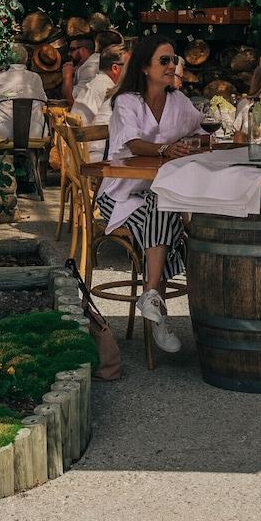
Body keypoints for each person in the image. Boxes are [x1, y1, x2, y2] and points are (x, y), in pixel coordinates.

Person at [96, 35, 203, 354]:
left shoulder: (179, 102)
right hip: (119, 193)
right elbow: (133, 144)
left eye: (175, 60)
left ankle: (152, 297)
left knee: (164, 199)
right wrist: (166, 149)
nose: (173, 66)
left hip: (159, 194)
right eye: (165, 60)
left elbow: (200, 130)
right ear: (144, 67)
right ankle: (156, 307)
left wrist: (202, 142)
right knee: (170, 213)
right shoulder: (127, 101)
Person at [0, 44, 49, 142]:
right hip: (35, 133)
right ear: (26, 59)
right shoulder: (35, 78)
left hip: (2, 133)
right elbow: (43, 102)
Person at [69, 44, 125, 162]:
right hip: (95, 156)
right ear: (115, 68)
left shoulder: (102, 84)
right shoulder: (103, 88)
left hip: (86, 153)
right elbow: (82, 125)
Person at [62, 34, 99, 105]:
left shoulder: (90, 67)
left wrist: (67, 76)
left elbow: (72, 101)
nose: (69, 53)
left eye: (72, 49)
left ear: (83, 50)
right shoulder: (84, 64)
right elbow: (65, 95)